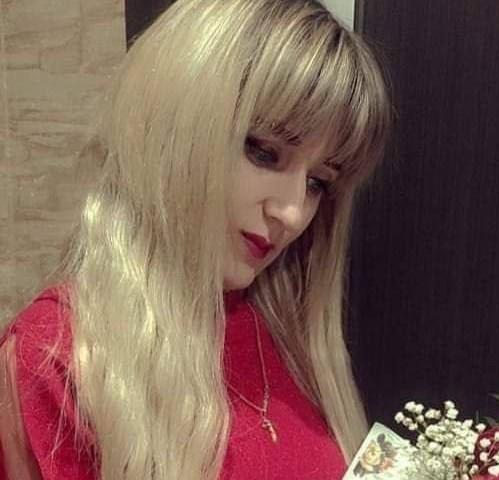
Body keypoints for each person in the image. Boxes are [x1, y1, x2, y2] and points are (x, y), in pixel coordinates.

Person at [0, 0, 391, 478]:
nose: (291, 213)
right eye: (263, 152)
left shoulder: (288, 333)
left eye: (318, 182)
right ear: (175, 127)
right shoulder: (56, 355)